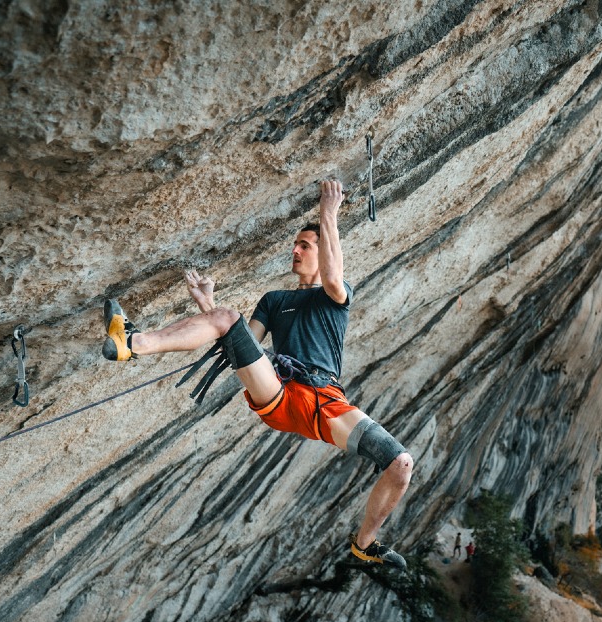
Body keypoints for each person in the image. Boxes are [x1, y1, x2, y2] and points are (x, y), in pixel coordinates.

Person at [101, 180, 412, 569]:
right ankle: (133, 342)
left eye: (305, 246)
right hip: (279, 390)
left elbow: (333, 278)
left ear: (322, 253)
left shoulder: (334, 297)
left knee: (400, 463)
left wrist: (328, 211)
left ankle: (365, 544)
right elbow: (239, 346)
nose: (295, 251)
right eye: (295, 245)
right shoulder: (274, 301)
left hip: (327, 400)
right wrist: (209, 307)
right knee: (227, 320)